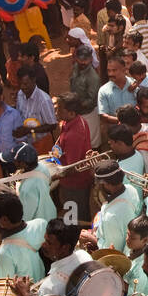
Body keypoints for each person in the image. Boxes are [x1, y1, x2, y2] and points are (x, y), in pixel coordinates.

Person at [84, 161, 143, 253]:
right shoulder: (131, 189)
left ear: (106, 184)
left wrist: (92, 239)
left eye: (99, 184)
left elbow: (113, 251)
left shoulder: (111, 218)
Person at [53, 93, 94, 222]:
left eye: (60, 109)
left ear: (71, 113)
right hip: (74, 183)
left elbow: (71, 168)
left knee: (74, 219)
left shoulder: (73, 136)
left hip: (73, 186)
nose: (56, 111)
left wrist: (53, 175)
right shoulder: (77, 120)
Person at [0, 190, 47, 281]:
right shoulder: (40, 224)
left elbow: (4, 285)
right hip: (43, 284)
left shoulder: (5, 252)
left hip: (28, 293)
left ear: (4, 219)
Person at [36, 220, 92, 296]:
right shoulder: (84, 256)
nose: (43, 245)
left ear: (65, 248)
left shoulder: (49, 288)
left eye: (49, 243)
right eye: (45, 240)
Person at [3, 142, 56, 224]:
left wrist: (18, 191)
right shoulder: (42, 167)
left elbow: (26, 218)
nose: (13, 162)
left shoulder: (26, 189)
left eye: (15, 161)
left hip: (39, 225)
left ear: (23, 163)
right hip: (50, 213)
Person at [14, 66, 57, 152]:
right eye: (20, 84)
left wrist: (29, 130)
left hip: (42, 142)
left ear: (33, 80)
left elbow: (52, 125)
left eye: (25, 84)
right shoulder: (20, 94)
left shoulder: (44, 100)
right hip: (27, 142)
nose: (23, 87)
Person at [69, 43, 103, 145]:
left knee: (93, 141)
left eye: (86, 59)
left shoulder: (93, 77)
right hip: (77, 111)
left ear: (91, 59)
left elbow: (91, 100)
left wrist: (76, 104)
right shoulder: (76, 67)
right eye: (80, 59)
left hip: (89, 112)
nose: (83, 62)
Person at [98, 54, 138, 132]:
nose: (110, 74)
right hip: (117, 134)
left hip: (136, 131)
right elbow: (103, 116)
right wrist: (124, 122)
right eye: (108, 70)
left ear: (124, 70)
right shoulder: (103, 91)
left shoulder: (135, 85)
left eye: (114, 70)